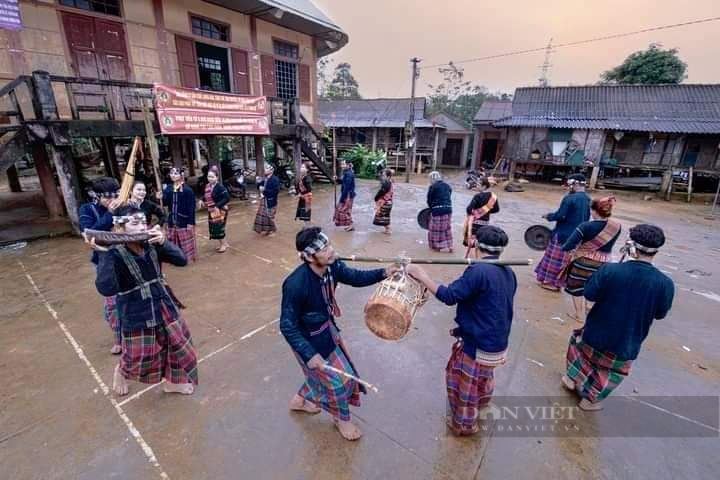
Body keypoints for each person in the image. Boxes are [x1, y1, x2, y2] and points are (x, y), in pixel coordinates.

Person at [280, 227, 399, 440]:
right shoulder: (295, 284)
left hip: (327, 330)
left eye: (329, 245)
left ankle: (298, 402)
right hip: (307, 341)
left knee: (321, 376)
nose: (331, 251)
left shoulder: (332, 266)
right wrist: (310, 355)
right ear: (309, 256)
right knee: (338, 383)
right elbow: (288, 326)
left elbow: (354, 276)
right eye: (324, 249)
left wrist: (384, 273)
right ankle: (342, 421)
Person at [407, 226, 517, 436]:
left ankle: (465, 425)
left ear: (475, 244)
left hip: (479, 343)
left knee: (464, 383)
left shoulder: (479, 271)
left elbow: (449, 296)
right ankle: (482, 406)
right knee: (483, 377)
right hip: (498, 342)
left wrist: (421, 275)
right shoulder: (508, 271)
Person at [562, 224, 674, 411]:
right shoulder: (665, 284)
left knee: (579, 346)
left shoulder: (610, 271)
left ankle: (571, 378)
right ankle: (590, 401)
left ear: (630, 246)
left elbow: (589, 294)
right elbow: (660, 314)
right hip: (627, 342)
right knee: (611, 371)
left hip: (594, 333)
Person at [88, 208, 199, 397]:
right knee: (139, 356)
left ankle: (173, 383)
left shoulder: (152, 244)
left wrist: (165, 242)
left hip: (162, 303)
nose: (141, 226)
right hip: (135, 311)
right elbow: (107, 288)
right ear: (120, 228)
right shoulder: (113, 253)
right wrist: (104, 253)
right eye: (134, 223)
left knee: (176, 344)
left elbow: (181, 260)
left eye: (142, 222)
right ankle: (121, 372)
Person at [79, 176, 123, 355]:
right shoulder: (87, 210)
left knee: (133, 298)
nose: (112, 201)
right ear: (97, 196)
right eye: (107, 197)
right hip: (104, 261)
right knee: (112, 301)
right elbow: (91, 234)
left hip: (126, 257)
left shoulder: (123, 207)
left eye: (115, 196)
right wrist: (110, 215)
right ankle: (118, 337)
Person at [561, 196, 621, 322]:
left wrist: (566, 249)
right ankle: (590, 310)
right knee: (596, 287)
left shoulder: (585, 226)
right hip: (604, 263)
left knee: (576, 287)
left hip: (583, 261)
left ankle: (578, 315)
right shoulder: (616, 226)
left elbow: (569, 245)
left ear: (594, 211)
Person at [535, 174, 591, 291]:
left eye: (570, 185)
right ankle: (559, 283)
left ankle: (551, 283)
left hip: (563, 234)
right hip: (577, 235)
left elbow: (561, 215)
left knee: (554, 259)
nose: (569, 187)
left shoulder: (569, 198)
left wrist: (549, 216)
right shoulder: (587, 199)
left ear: (574, 184)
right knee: (565, 261)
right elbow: (586, 218)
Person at [163, 167, 198, 262]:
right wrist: (161, 197)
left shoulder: (187, 190)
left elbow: (191, 208)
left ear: (181, 175)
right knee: (173, 241)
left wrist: (190, 222)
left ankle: (188, 258)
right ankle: (176, 258)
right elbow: (165, 203)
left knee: (185, 242)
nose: (173, 175)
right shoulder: (168, 188)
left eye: (176, 173)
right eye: (171, 173)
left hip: (184, 220)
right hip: (172, 219)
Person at [463, 176, 500, 256]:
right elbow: (497, 209)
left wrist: (472, 214)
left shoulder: (477, 196)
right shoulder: (493, 196)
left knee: (472, 243)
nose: (477, 186)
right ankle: (479, 259)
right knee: (480, 242)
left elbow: (469, 209)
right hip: (485, 224)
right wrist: (487, 211)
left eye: (479, 184)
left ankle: (471, 260)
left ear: (484, 186)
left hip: (475, 224)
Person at [199, 166, 230, 253]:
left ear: (217, 177)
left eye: (212, 177)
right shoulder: (207, 186)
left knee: (218, 227)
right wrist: (202, 200)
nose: (210, 178)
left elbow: (227, 198)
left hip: (220, 210)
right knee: (215, 227)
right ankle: (225, 243)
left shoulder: (220, 187)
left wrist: (217, 206)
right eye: (209, 176)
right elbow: (205, 195)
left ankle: (223, 245)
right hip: (211, 210)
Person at [426, 171, 453, 253]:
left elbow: (429, 199)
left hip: (437, 210)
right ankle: (450, 246)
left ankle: (437, 247)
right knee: (447, 228)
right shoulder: (447, 186)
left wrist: (431, 209)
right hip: (449, 209)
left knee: (435, 229)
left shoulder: (432, 187)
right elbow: (448, 195)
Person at [253, 165, 280, 236]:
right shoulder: (265, 178)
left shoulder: (275, 179)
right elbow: (259, 186)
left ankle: (273, 230)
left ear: (272, 170)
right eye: (265, 168)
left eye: (267, 168)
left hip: (271, 201)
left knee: (270, 216)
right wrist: (258, 182)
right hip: (265, 200)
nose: (265, 169)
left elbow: (275, 192)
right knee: (263, 215)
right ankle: (268, 229)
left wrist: (264, 191)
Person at [333, 160, 356, 231]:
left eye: (343, 164)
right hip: (347, 194)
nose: (341, 165)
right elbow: (343, 182)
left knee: (342, 210)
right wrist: (337, 179)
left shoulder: (349, 174)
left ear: (348, 165)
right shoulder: (347, 173)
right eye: (341, 164)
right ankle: (350, 225)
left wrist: (342, 199)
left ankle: (351, 225)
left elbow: (347, 187)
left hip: (347, 195)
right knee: (346, 210)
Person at [373, 168, 394, 234]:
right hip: (388, 202)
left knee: (381, 215)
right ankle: (387, 229)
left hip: (385, 202)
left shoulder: (387, 183)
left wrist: (376, 198)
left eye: (384, 175)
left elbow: (382, 192)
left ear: (388, 176)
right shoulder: (389, 182)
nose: (382, 176)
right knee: (384, 216)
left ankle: (388, 229)